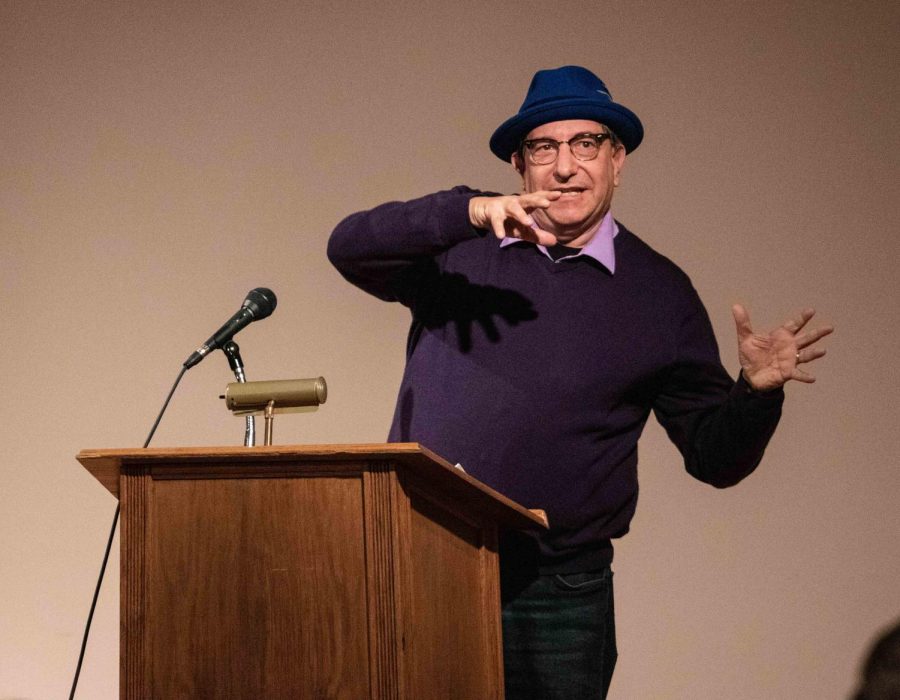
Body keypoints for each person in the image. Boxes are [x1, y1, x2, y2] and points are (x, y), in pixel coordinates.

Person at [327, 65, 833, 699]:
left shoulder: (659, 292)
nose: (565, 166)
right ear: (520, 165)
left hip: (560, 594)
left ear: (617, 161)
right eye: (544, 147)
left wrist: (755, 392)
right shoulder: (463, 251)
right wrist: (468, 211)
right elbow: (348, 247)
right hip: (424, 563)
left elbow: (714, 457)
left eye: (585, 145)